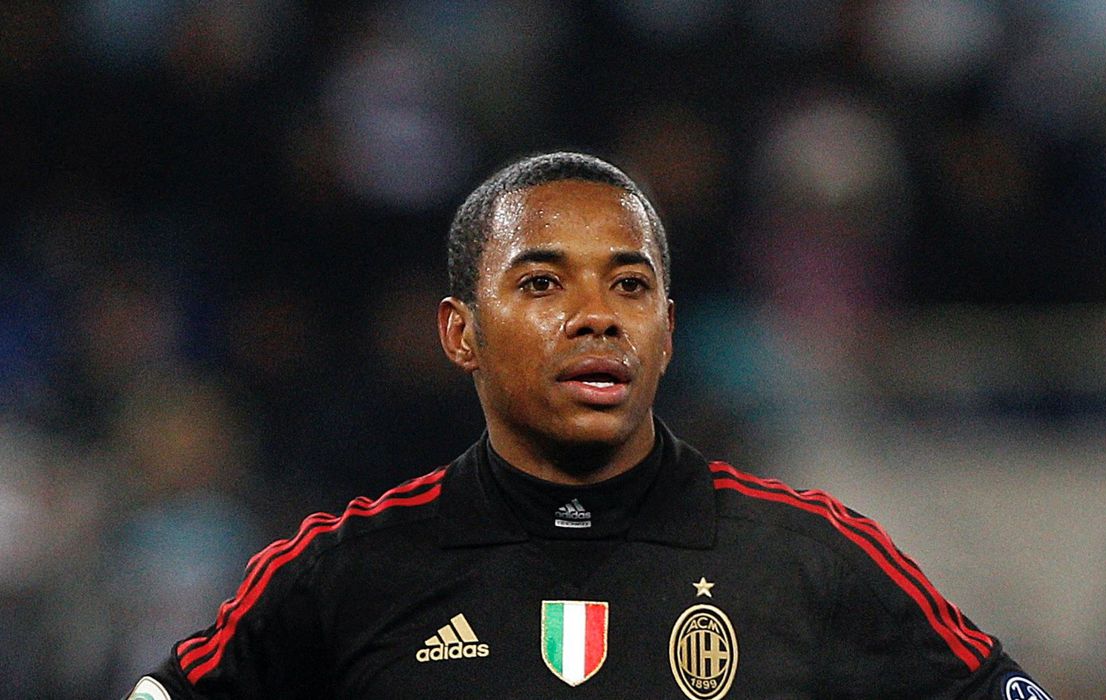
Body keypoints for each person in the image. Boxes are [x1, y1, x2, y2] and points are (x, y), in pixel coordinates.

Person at [128, 151, 1051, 699]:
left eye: (630, 285)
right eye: (542, 282)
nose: (596, 316)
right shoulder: (346, 572)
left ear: (669, 331)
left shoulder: (810, 561)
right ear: (460, 333)